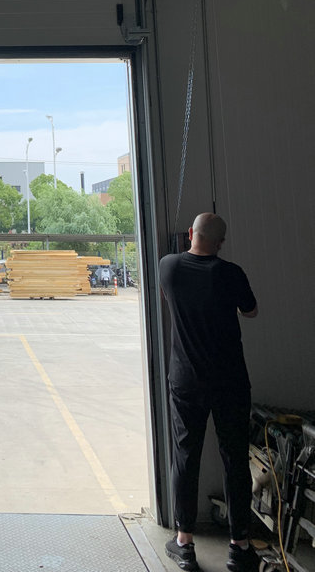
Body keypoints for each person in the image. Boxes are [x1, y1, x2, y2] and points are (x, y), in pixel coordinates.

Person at [159, 212, 258, 572]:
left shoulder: (168, 267)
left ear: (190, 233)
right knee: (235, 459)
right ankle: (240, 546)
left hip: (187, 382)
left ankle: (184, 544)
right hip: (230, 382)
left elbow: (171, 296)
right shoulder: (231, 273)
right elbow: (251, 311)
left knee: (186, 456)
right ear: (221, 243)